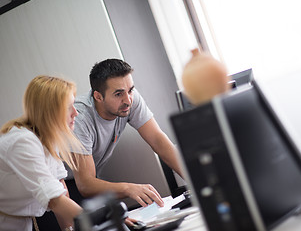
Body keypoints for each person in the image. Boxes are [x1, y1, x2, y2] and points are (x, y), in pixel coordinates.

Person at [72, 58, 183, 208]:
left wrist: (195, 179)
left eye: (130, 90)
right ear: (98, 96)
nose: (128, 100)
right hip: (63, 184)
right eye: (118, 94)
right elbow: (86, 185)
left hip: (90, 179)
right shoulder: (80, 117)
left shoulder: (130, 98)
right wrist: (129, 188)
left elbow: (158, 140)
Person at [0, 75, 83, 231]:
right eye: (69, 107)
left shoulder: (48, 138)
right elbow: (54, 200)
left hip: (20, 220)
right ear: (50, 111)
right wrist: (94, 220)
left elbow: (60, 187)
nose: (76, 113)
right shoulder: (23, 142)